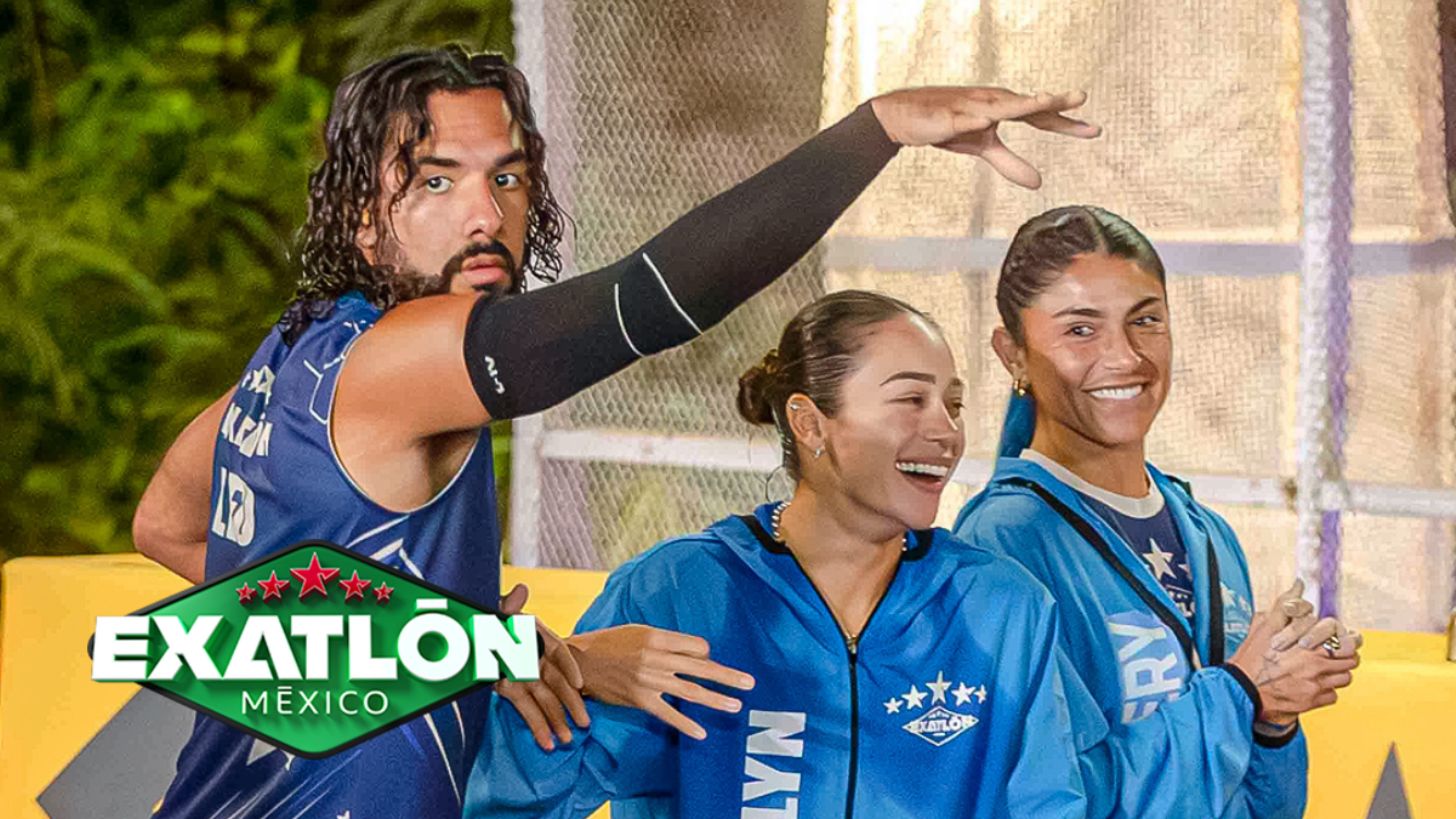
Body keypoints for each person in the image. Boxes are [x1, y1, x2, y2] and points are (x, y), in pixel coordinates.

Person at [128, 44, 1102, 818]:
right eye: (434, 181)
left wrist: (462, 643)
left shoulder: (299, 357)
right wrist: (876, 129)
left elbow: (168, 528)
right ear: (361, 218)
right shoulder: (402, 358)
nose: (485, 214)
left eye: (508, 177)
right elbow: (648, 300)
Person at [466, 290, 1089, 819]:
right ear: (810, 423)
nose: (946, 432)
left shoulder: (1002, 607)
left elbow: (1048, 805)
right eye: (910, 400)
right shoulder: (681, 593)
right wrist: (536, 672)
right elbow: (515, 803)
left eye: (953, 405)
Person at [953, 205, 1362, 818]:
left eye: (1146, 321)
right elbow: (1053, 796)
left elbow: (1260, 803)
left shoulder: (1206, 532)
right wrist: (1240, 692)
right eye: (1081, 329)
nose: (1125, 357)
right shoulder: (1003, 542)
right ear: (1012, 353)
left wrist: (1273, 719)